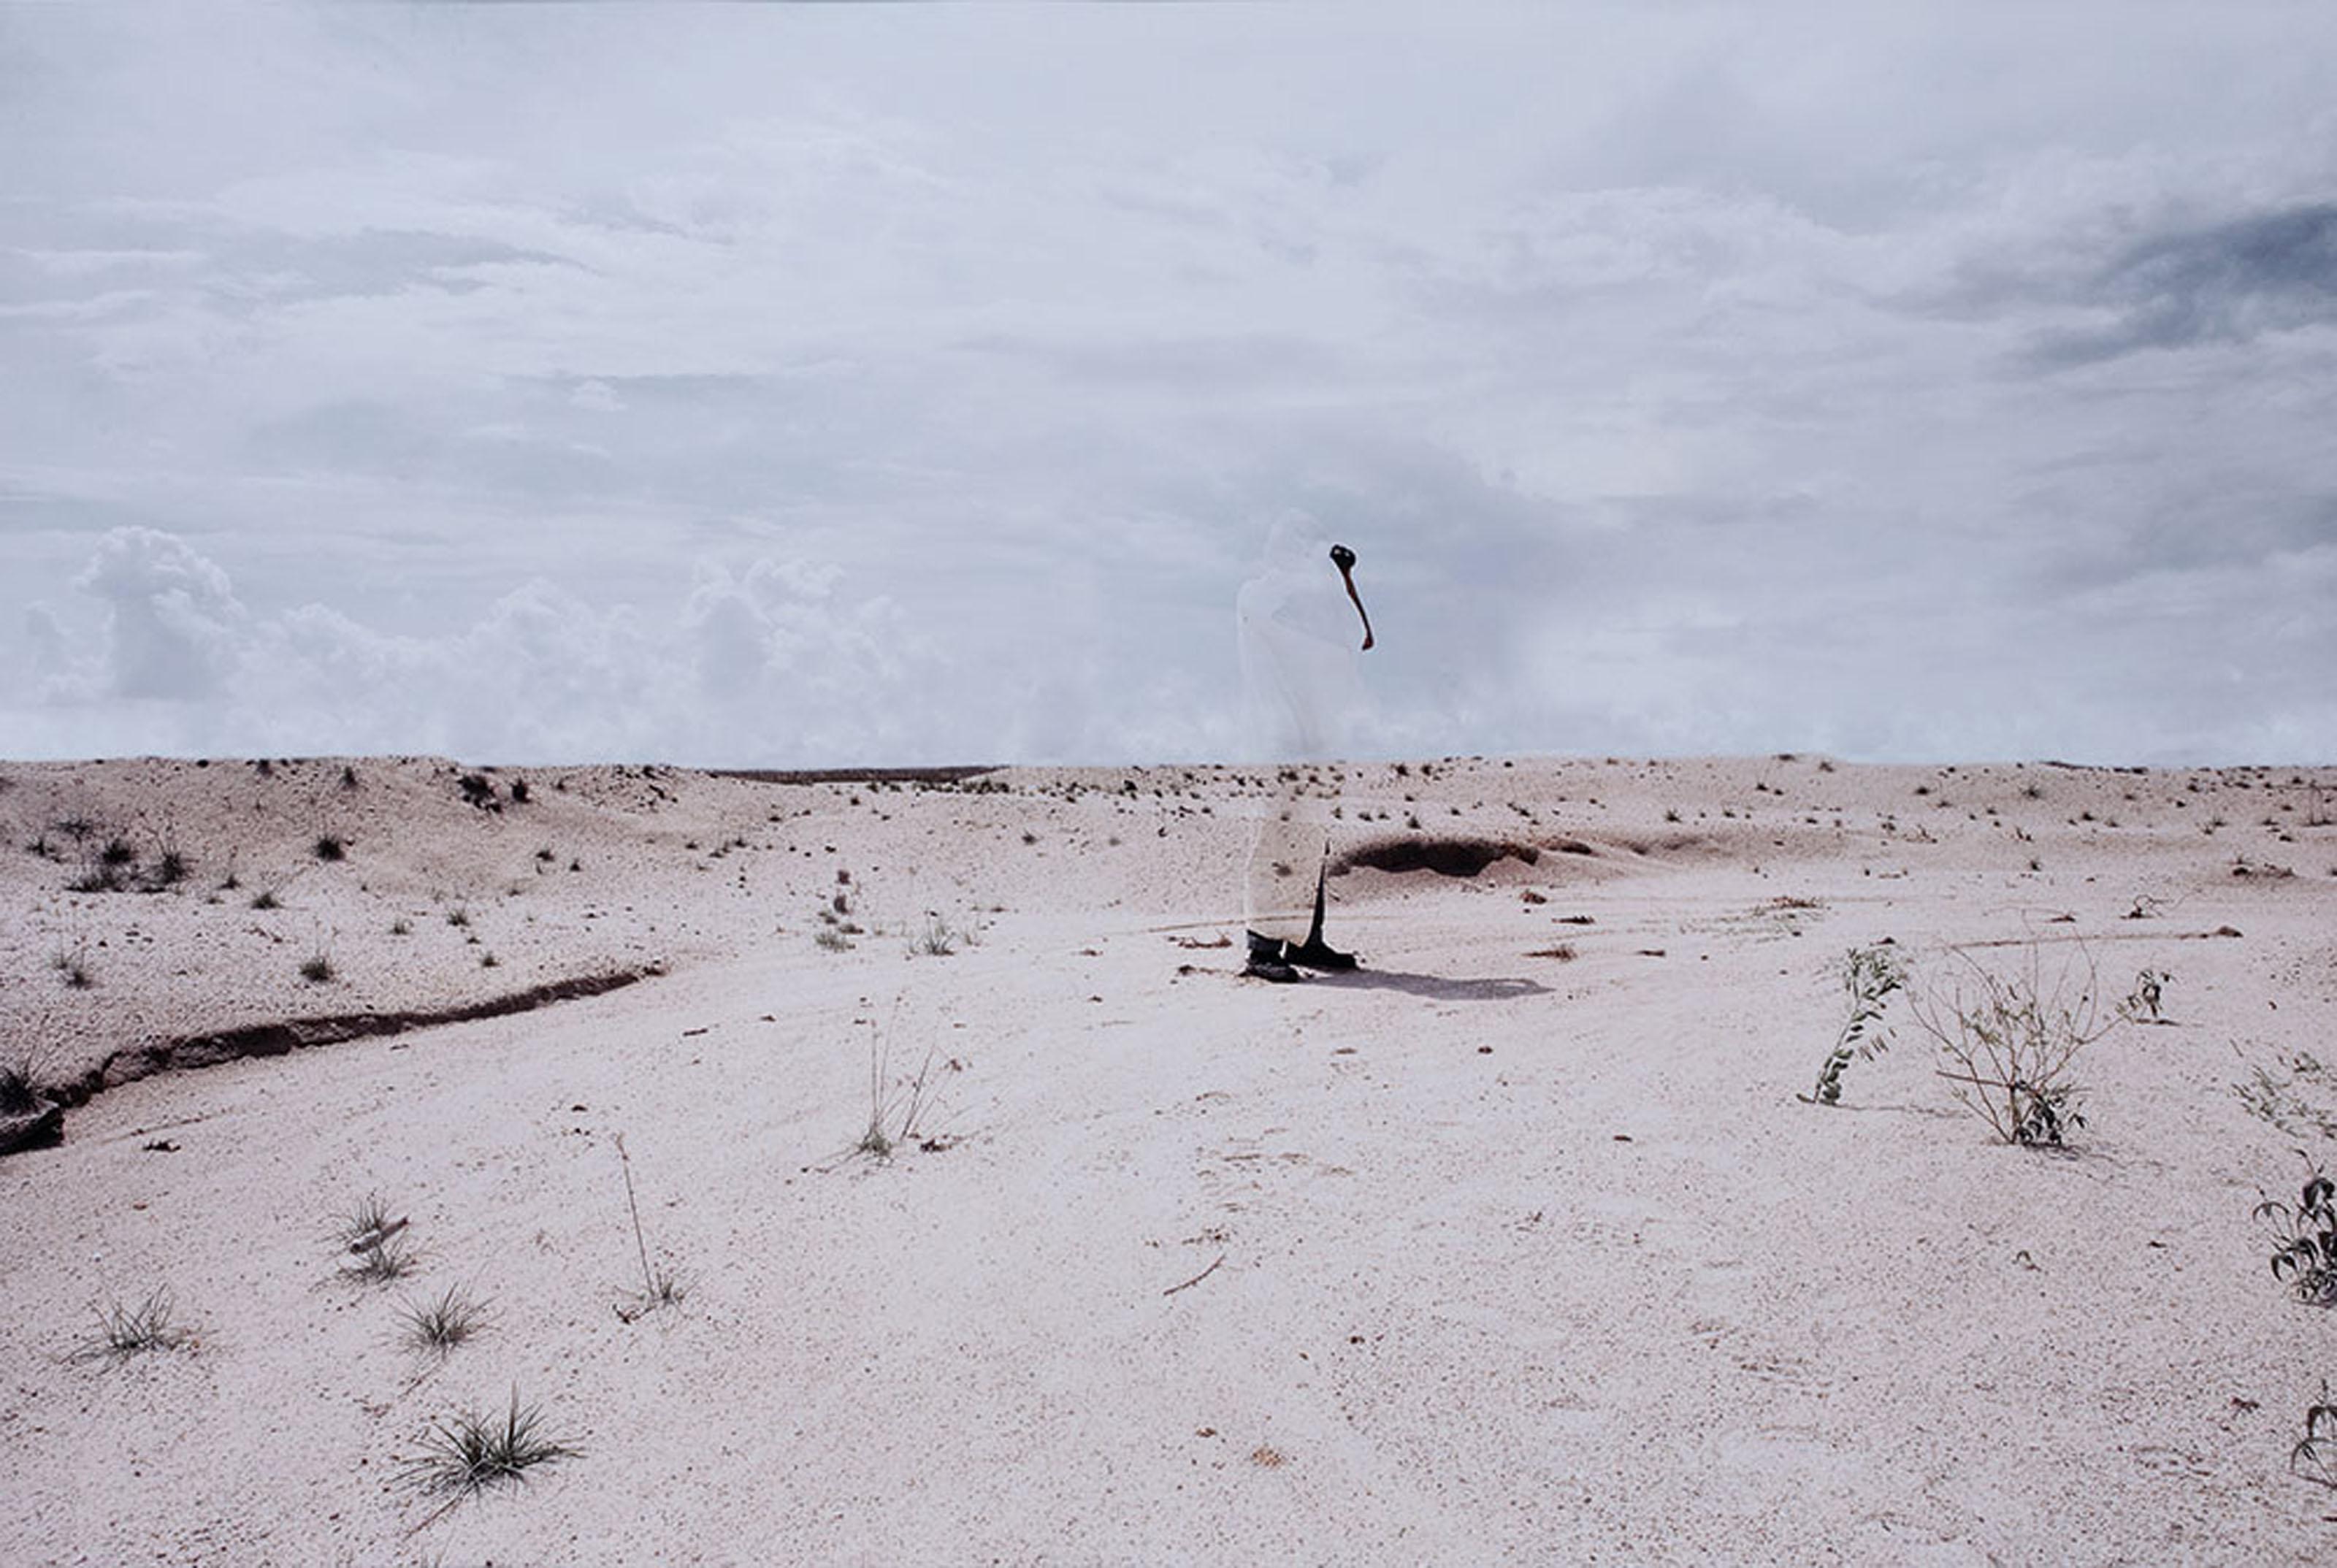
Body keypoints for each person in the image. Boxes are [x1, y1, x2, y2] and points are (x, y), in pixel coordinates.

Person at [1236, 517, 1376, 982]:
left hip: (1317, 741)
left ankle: (1305, 941)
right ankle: (1262, 947)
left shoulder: (1316, 608)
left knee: (1311, 838)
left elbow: (1362, 636)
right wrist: (1323, 579)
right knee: (1275, 838)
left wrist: (1344, 580)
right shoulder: (1258, 595)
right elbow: (1282, 607)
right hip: (1277, 741)